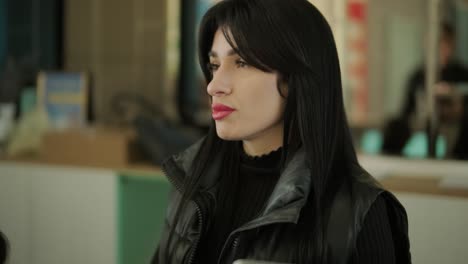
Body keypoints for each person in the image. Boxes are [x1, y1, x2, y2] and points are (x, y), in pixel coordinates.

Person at [152, 0, 411, 263]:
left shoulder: (359, 211)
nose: (214, 86)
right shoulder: (191, 180)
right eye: (214, 65)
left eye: (241, 62)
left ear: (294, 77)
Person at [382, 22, 468, 159]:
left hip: (456, 124)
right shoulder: (417, 76)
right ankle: (391, 160)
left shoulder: (463, 74)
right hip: (423, 120)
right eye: (436, 43)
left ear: (452, 44)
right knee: (394, 125)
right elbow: (406, 111)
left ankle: (458, 159)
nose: (441, 48)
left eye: (445, 42)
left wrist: (455, 103)